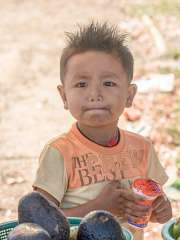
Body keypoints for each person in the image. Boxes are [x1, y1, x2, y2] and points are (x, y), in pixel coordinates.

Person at [33, 22, 172, 239]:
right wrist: (98, 208)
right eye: (81, 84)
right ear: (64, 96)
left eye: (108, 83)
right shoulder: (58, 153)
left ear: (129, 95)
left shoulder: (142, 148)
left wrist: (160, 209)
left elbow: (154, 209)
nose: (95, 93)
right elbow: (39, 224)